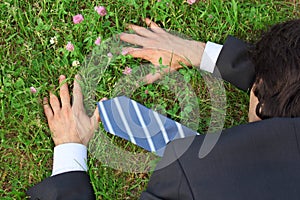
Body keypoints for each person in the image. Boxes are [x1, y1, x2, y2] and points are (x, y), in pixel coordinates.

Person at [26, 18, 300, 199]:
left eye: (256, 81)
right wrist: (200, 53)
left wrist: (70, 149)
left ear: (262, 101)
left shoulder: (190, 175)